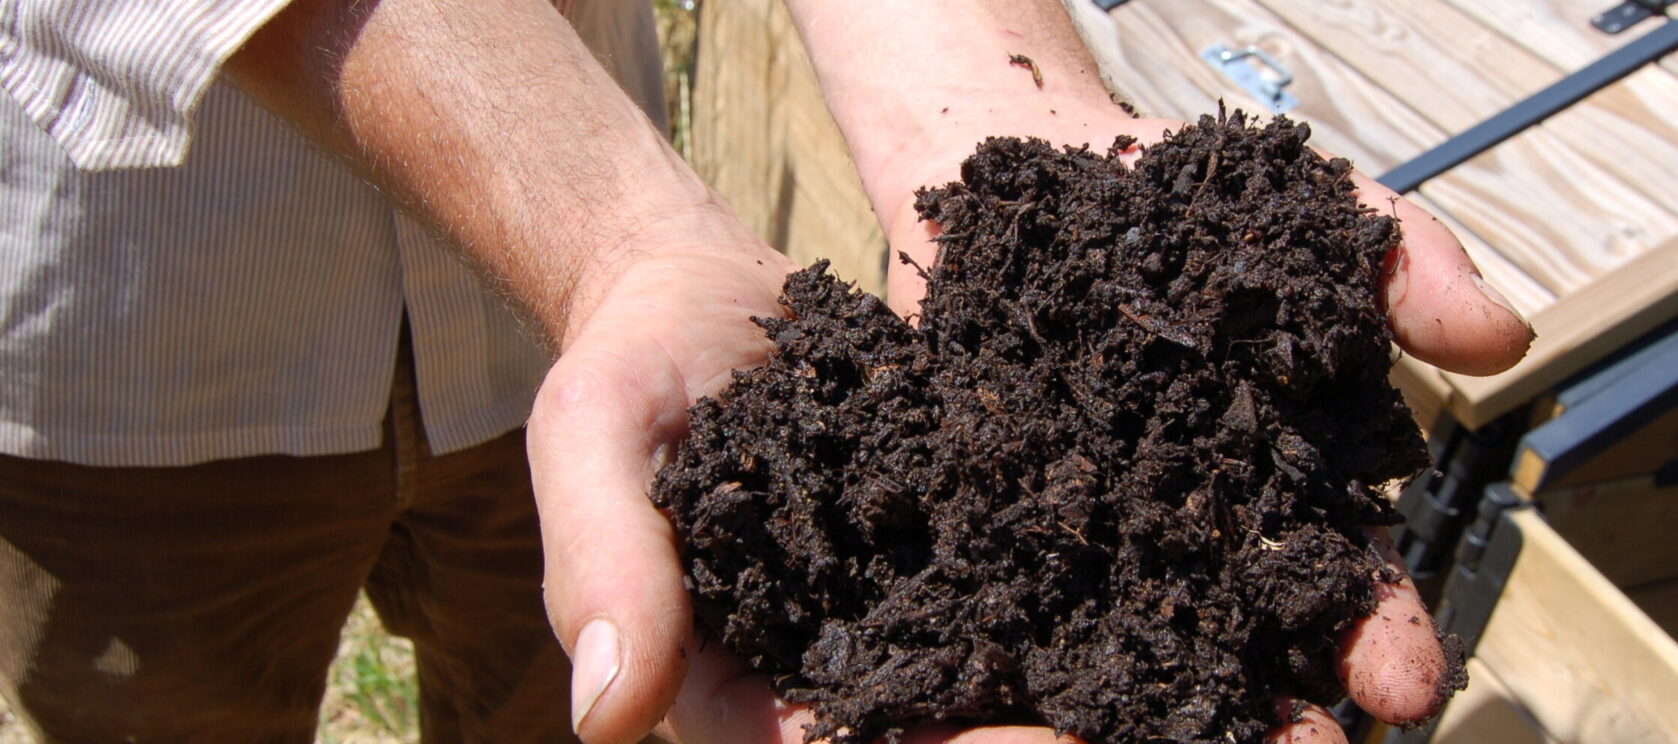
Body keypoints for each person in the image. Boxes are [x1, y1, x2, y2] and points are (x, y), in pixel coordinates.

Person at [0, 2, 1533, 744]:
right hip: (129, 347)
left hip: (533, 334)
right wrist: (604, 225)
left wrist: (977, 80)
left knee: (563, 698)